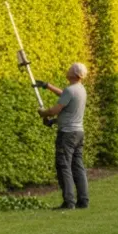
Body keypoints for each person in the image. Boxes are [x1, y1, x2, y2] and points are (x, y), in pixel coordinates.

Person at [35, 63, 89, 210]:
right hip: (78, 133)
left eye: (70, 69)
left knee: (64, 166)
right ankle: (83, 201)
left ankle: (69, 202)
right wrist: (47, 86)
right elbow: (64, 96)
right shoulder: (80, 89)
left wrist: (43, 113)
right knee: (77, 166)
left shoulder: (71, 90)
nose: (68, 70)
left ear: (75, 74)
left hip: (67, 135)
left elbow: (54, 110)